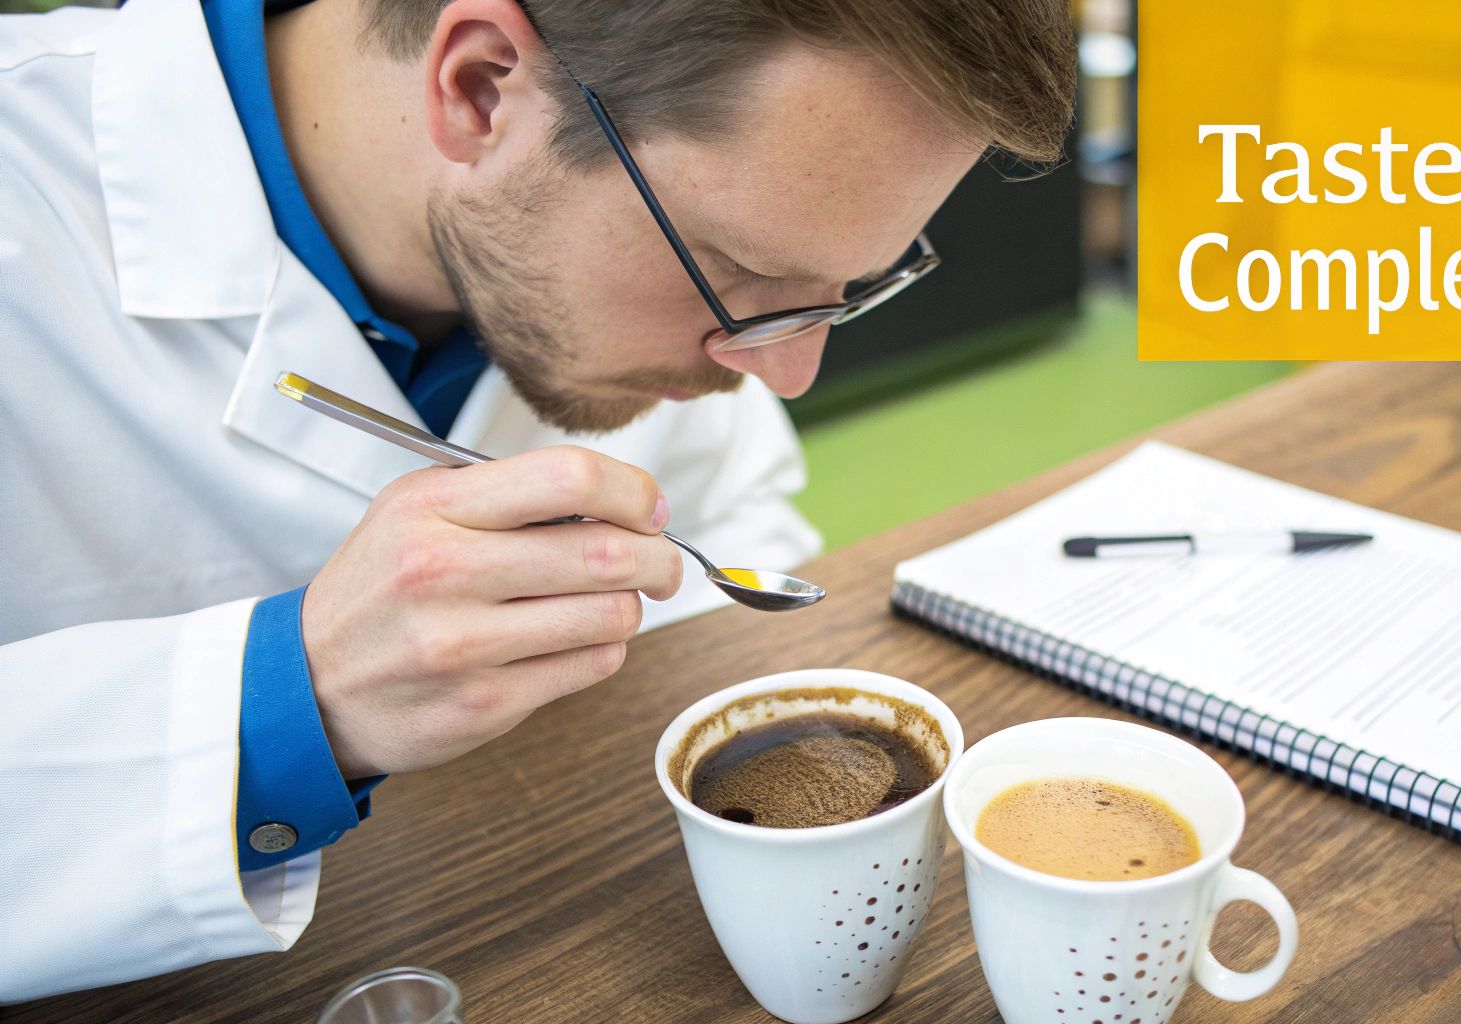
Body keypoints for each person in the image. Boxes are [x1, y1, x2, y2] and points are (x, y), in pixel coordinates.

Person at [0, 0, 1073, 1001]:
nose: (788, 374)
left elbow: (736, 536)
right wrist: (293, 698)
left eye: (844, 289)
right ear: (478, 88)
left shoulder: (698, 235)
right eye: (741, 272)